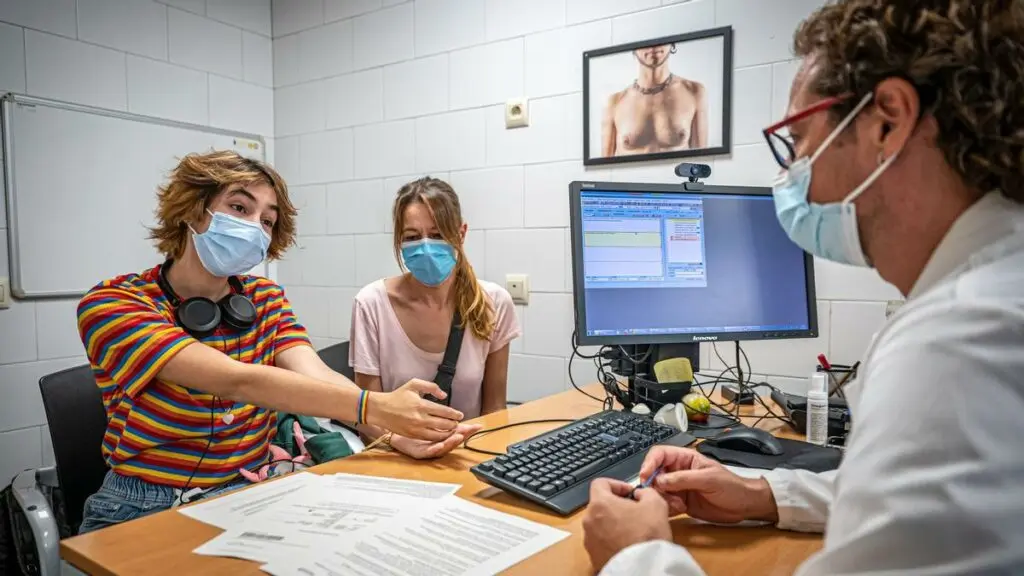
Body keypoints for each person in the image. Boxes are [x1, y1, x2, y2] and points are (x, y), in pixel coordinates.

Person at [583, 1, 1024, 573]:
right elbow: (912, 507)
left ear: (888, 120)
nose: (791, 172)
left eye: (797, 139)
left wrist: (637, 555)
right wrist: (761, 493)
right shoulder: (992, 293)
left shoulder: (962, 340)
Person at [76, 152, 472, 533]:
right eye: (239, 208)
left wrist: (391, 433)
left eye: (267, 221)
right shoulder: (114, 304)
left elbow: (312, 371)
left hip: (251, 485)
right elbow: (237, 380)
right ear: (193, 210)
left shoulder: (263, 298)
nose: (255, 228)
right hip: (147, 502)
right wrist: (377, 406)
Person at [349, 177, 520, 455]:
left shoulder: (494, 303)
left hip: (467, 455)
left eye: (438, 234)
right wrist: (401, 443)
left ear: (461, 233)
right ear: (399, 240)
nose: (426, 247)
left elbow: (494, 410)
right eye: (412, 237)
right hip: (395, 458)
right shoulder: (371, 304)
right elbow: (368, 419)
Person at [601, 43, 708, 157]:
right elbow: (604, 165)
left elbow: (701, 160)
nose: (653, 47)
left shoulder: (694, 92)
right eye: (645, 42)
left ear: (672, 44)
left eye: (661, 40)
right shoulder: (615, 102)